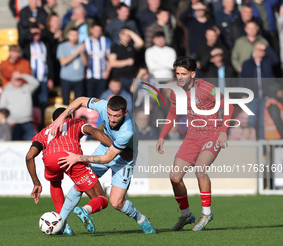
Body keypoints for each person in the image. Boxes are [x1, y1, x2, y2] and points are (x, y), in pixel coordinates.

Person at [50, 96, 156, 234]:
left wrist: (78, 158)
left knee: (116, 203)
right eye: (109, 115)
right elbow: (81, 100)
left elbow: (107, 158)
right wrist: (62, 116)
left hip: (124, 158)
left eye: (116, 116)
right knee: (81, 182)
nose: (112, 119)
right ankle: (61, 222)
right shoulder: (103, 105)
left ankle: (141, 219)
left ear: (125, 113)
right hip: (106, 148)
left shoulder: (127, 131)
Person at [156, 57, 235, 231]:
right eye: (177, 73)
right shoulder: (176, 92)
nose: (180, 77)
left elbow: (229, 106)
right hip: (192, 136)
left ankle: (206, 213)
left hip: (212, 134)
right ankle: (186, 214)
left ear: (193, 74)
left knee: (200, 168)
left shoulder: (207, 88)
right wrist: (162, 136)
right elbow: (172, 114)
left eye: (183, 73)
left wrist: (223, 131)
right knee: (174, 177)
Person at [26, 107, 112, 234]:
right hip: (71, 156)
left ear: (53, 120)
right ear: (69, 117)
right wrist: (115, 147)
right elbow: (93, 131)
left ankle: (63, 224)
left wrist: (36, 183)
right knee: (100, 198)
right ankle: (85, 210)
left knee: (55, 183)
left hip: (50, 159)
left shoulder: (43, 132)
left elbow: (29, 156)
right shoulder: (75, 122)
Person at [0, 71, 39, 141]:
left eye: (19, 79)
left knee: (32, 144)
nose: (18, 80)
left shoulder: (26, 88)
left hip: (27, 122)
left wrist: (23, 75)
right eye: (16, 78)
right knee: (15, 145)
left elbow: (36, 83)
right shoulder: (6, 91)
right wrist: (7, 120)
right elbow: (2, 108)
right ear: (11, 79)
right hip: (13, 123)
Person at [57, 28, 87, 105]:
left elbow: (85, 63)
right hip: (66, 78)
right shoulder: (62, 46)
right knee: (66, 102)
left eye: (76, 35)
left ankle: (77, 117)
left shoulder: (81, 47)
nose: (74, 37)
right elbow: (64, 62)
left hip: (79, 78)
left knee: (79, 103)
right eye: (72, 35)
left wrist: (81, 52)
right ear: (68, 35)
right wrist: (76, 52)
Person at [109, 27, 144, 92]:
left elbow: (141, 43)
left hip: (132, 77)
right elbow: (112, 63)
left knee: (131, 99)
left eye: (128, 36)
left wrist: (130, 32)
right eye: (124, 35)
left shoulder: (132, 45)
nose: (126, 37)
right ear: (120, 35)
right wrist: (127, 62)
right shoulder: (115, 47)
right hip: (119, 78)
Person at [84, 22, 111, 98]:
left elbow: (109, 58)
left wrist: (108, 71)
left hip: (102, 75)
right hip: (89, 75)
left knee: (100, 98)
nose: (97, 32)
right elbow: (83, 58)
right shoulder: (85, 42)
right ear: (91, 30)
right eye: (96, 30)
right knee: (89, 98)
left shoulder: (105, 41)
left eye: (99, 30)